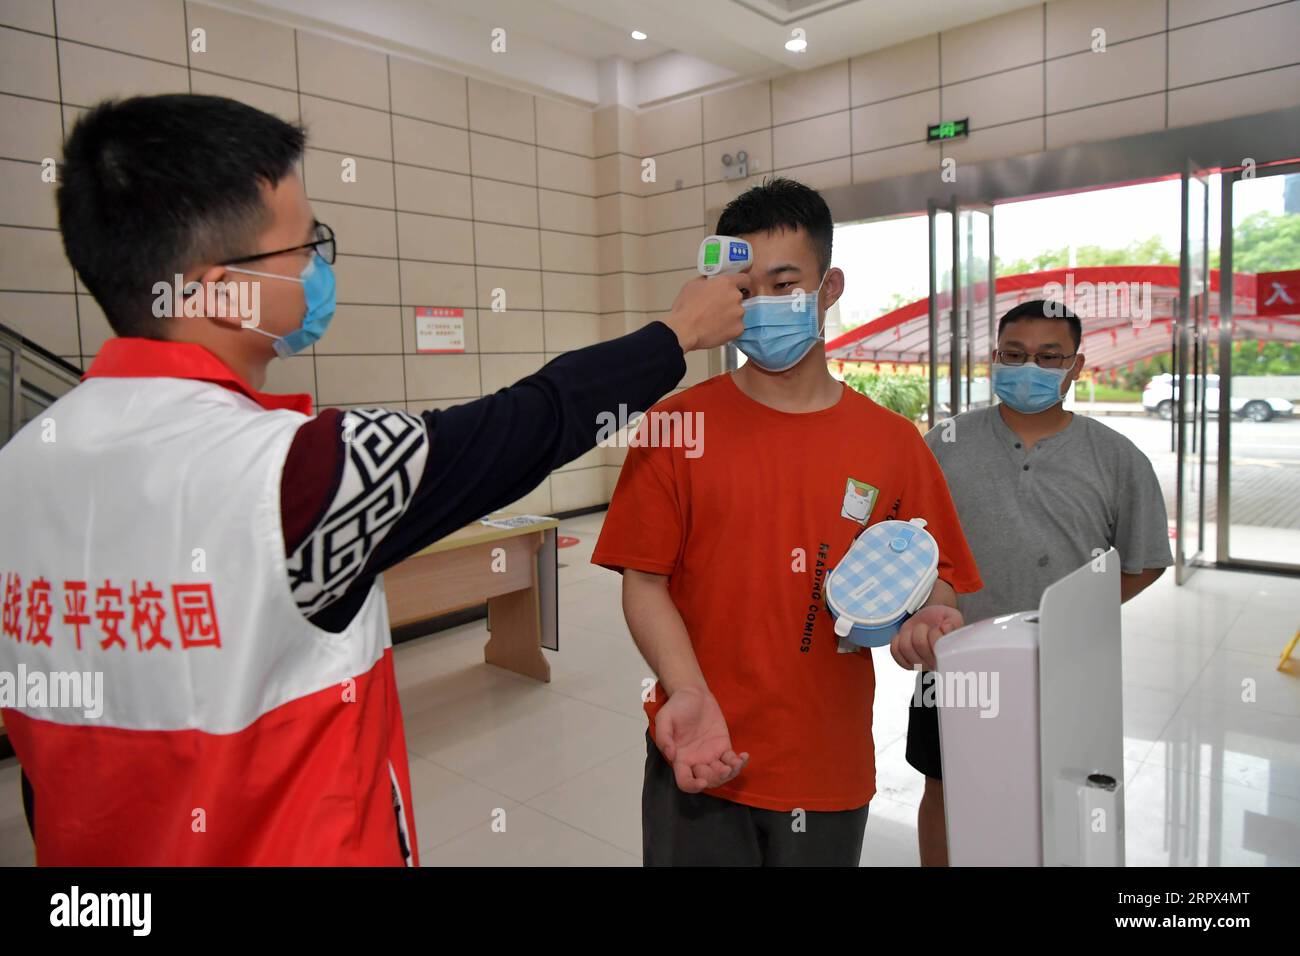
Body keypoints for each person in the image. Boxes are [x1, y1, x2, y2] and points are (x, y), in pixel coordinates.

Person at [0, 93, 747, 865]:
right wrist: (677, 335)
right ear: (224, 290)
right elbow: (529, 425)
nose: (317, 270)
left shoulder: (20, 466)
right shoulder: (300, 476)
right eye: (304, 246)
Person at [591, 178, 982, 866]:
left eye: (784, 283)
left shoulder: (891, 442)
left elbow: (938, 573)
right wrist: (687, 690)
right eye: (746, 290)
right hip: (696, 751)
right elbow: (644, 581)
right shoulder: (678, 427)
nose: (763, 306)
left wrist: (928, 618)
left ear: (828, 287)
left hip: (825, 764)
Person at [901, 298, 1173, 866]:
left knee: (1055, 792)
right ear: (993, 359)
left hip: (1064, 667)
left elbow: (1144, 560)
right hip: (954, 663)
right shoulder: (943, 445)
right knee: (946, 787)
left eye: (1050, 357)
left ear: (1076, 366)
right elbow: (912, 544)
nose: (1030, 369)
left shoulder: (1116, 458)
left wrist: (1069, 619)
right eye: (1015, 355)